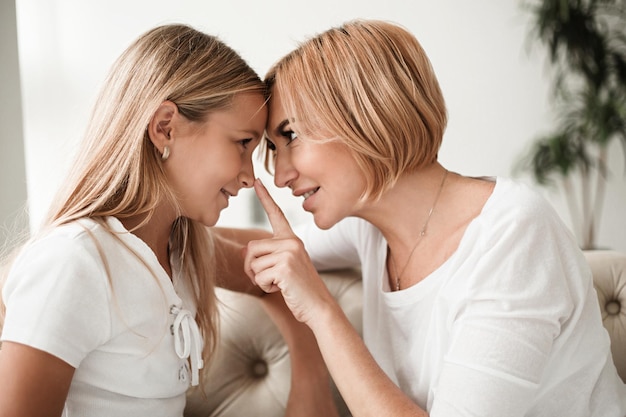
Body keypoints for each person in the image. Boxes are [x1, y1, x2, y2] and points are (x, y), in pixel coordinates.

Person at [218, 19, 626, 417]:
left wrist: (322, 311)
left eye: (290, 136)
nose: (279, 174)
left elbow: (299, 280)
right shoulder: (368, 227)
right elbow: (258, 253)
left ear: (365, 113)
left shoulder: (513, 234)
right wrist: (164, 219)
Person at [0, 24, 270, 417]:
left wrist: (310, 391)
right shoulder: (75, 262)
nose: (250, 175)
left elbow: (276, 276)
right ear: (165, 127)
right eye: (243, 143)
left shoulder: (182, 251)